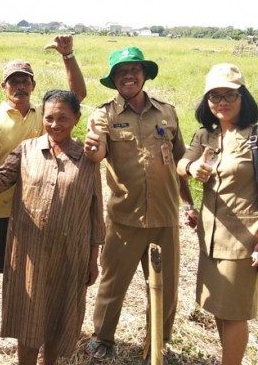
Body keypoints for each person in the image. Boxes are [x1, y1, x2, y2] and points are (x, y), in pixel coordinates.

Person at [0, 35, 87, 352]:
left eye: (25, 81)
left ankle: (35, 330)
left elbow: (76, 96)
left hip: (35, 212)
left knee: (34, 276)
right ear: (3, 87)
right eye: (14, 82)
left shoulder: (44, 116)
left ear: (34, 86)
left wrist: (68, 56)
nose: (20, 87)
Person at [0, 89, 104, 365]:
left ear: (77, 119)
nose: (55, 124)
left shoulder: (87, 159)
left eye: (63, 118)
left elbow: (95, 213)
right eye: (49, 118)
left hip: (70, 255)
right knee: (29, 320)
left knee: (57, 317)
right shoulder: (27, 150)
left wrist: (93, 259)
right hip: (29, 254)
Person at [84, 46, 196, 362]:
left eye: (134, 70)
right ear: (113, 80)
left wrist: (188, 204)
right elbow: (96, 153)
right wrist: (92, 148)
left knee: (165, 287)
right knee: (112, 283)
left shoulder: (168, 112)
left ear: (144, 74)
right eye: (121, 72)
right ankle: (102, 337)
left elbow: (178, 161)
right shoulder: (104, 114)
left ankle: (156, 343)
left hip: (164, 216)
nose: (128, 76)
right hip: (124, 217)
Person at [176, 63, 258, 365]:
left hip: (244, 239)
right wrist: (190, 167)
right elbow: (180, 164)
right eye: (214, 96)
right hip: (209, 237)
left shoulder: (254, 137)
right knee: (220, 309)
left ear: (243, 97)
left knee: (234, 313)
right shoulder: (205, 136)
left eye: (229, 95)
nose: (221, 102)